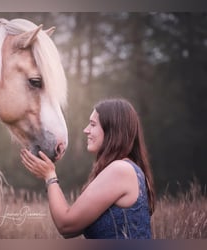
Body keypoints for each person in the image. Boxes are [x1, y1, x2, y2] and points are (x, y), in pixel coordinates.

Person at [20, 98, 155, 239]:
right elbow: (72, 230)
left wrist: (50, 176)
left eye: (92, 124)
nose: (86, 130)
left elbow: (66, 225)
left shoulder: (120, 170)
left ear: (112, 129)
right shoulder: (126, 168)